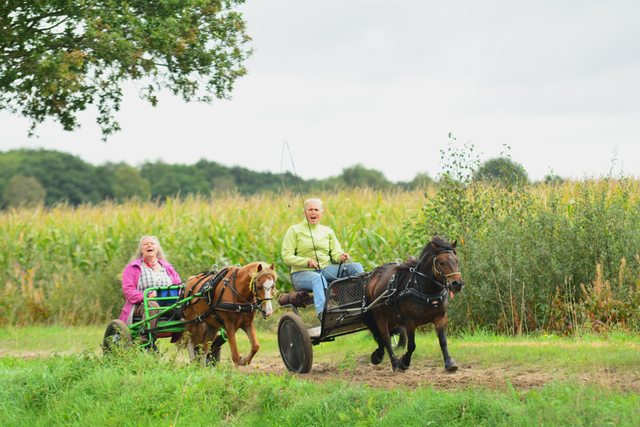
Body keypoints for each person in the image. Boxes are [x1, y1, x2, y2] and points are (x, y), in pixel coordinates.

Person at [282, 198, 364, 317]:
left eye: (316, 210)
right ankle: (323, 313)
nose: (313, 212)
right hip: (302, 273)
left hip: (326, 269)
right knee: (318, 279)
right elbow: (286, 257)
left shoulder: (328, 231)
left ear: (321, 213)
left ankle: (360, 303)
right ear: (305, 213)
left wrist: (341, 256)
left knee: (356, 267)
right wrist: (307, 261)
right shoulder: (294, 230)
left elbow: (336, 254)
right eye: (310, 210)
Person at [118, 235, 182, 343]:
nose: (149, 245)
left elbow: (179, 287)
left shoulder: (168, 268)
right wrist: (146, 296)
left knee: (189, 305)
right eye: (146, 244)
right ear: (141, 249)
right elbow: (128, 290)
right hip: (141, 305)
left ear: (157, 249)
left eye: (152, 244)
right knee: (152, 305)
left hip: (168, 304)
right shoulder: (133, 267)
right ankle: (146, 339)